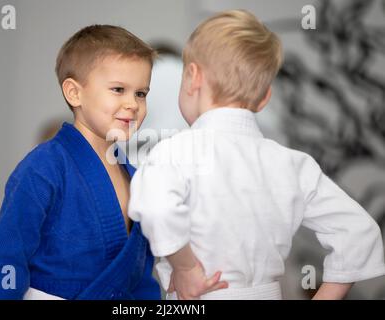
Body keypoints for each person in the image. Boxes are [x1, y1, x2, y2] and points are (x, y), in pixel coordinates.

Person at [128, 10, 385, 300]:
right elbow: (359, 231)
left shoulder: (174, 151)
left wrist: (185, 268)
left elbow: (156, 208)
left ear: (192, 77)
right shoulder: (294, 164)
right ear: (265, 97)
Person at [0, 25, 161, 299]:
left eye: (141, 93)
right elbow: (8, 260)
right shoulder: (43, 168)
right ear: (74, 93)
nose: (133, 104)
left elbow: (138, 276)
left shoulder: (137, 178)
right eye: (118, 89)